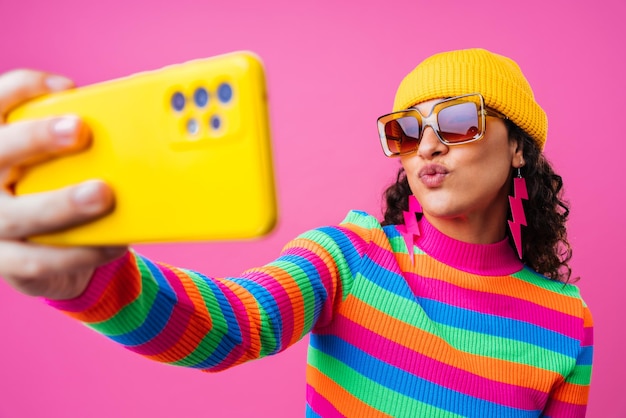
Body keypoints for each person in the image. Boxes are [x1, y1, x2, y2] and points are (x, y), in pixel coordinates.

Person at [0, 48, 593, 417]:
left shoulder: (568, 321)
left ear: (518, 147)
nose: (429, 146)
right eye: (408, 130)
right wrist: (93, 281)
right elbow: (230, 326)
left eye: (459, 121)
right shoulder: (351, 255)